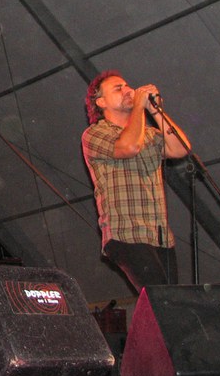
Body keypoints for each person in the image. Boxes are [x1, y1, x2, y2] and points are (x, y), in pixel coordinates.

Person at [81, 70, 191, 292]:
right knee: (161, 298)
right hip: (126, 233)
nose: (127, 90)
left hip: (159, 235)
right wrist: (139, 107)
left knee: (170, 302)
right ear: (101, 102)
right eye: (118, 88)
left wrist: (156, 111)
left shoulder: (148, 134)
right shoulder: (95, 134)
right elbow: (129, 147)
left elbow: (181, 148)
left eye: (126, 85)